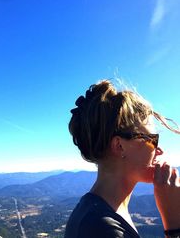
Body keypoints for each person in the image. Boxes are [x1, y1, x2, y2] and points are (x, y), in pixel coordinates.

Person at [65, 79, 180, 238]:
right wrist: (174, 225)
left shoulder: (99, 213)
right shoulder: (101, 228)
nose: (159, 150)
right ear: (119, 146)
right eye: (152, 139)